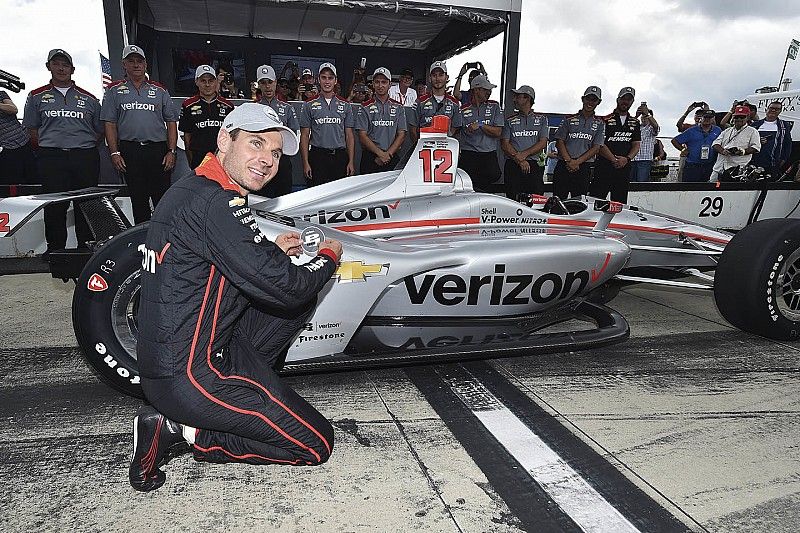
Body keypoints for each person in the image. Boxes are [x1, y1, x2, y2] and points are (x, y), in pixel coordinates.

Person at [129, 102, 342, 492]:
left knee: (292, 305)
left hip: (184, 357)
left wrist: (275, 251)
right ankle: (184, 431)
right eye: (256, 144)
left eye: (275, 153)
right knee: (314, 443)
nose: (267, 160)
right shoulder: (215, 201)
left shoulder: (196, 189)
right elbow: (289, 286)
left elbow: (222, 263)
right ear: (225, 140)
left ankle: (248, 389)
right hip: (190, 377)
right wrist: (329, 256)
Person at [22, 48, 103, 253]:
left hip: (84, 156)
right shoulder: (36, 96)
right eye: (56, 64)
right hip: (52, 157)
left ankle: (86, 247)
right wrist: (51, 145)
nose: (61, 68)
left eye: (65, 65)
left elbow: (100, 130)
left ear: (72, 69)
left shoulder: (90, 98)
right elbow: (32, 129)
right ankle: (55, 249)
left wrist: (82, 145)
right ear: (49, 67)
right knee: (55, 204)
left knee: (86, 203)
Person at [101, 45, 179, 223]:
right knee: (138, 199)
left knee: (162, 198)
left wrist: (171, 151)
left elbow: (171, 122)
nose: (136, 65)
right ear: (124, 65)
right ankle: (142, 241)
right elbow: (110, 124)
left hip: (158, 150)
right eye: (131, 61)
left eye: (139, 61)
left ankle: (163, 239)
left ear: (145, 65)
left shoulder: (160, 90)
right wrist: (114, 153)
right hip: (130, 151)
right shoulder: (114, 91)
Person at [299, 62, 355, 185]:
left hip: (339, 157)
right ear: (318, 79)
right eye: (324, 77)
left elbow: (349, 135)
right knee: (316, 195)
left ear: (335, 81)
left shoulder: (346, 105)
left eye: (330, 78)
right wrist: (305, 162)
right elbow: (304, 136)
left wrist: (351, 161)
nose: (327, 81)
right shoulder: (308, 104)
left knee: (339, 196)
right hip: (317, 156)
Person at [552, 86, 605, 199]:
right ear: (582, 99)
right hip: (564, 165)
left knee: (579, 205)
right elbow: (559, 141)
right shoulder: (568, 119)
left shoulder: (600, 123)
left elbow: (596, 147)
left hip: (583, 168)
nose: (590, 102)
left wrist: (577, 162)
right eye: (588, 98)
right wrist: (569, 161)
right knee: (557, 202)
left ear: (598, 102)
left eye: (594, 100)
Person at [178, 65, 234, 169]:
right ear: (196, 82)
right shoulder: (188, 105)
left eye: (211, 80)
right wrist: (191, 162)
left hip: (221, 157)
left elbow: (233, 136)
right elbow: (187, 136)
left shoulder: (228, 106)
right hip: (198, 158)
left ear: (216, 81)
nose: (207, 84)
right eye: (203, 81)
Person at [256, 64, 300, 196]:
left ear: (275, 82)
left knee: (284, 196)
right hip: (260, 159)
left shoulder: (287, 108)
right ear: (259, 85)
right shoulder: (253, 108)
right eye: (263, 83)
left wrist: (286, 151)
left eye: (270, 82)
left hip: (282, 159)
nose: (267, 86)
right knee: (261, 196)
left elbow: (296, 133)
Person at [591, 87, 641, 203]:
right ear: (618, 99)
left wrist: (627, 159)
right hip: (604, 166)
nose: (625, 102)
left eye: (629, 99)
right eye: (623, 98)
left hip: (624, 167)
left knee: (620, 204)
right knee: (596, 201)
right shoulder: (604, 120)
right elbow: (600, 143)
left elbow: (636, 144)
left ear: (632, 102)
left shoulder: (635, 122)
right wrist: (613, 159)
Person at [500, 85, 548, 200]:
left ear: (527, 98)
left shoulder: (542, 119)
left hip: (535, 165)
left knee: (536, 202)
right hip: (513, 164)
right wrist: (519, 159)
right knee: (512, 201)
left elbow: (543, 142)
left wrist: (524, 155)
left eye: (518, 96)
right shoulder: (509, 121)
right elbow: (504, 144)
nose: (514, 99)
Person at [356, 67, 407, 174]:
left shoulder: (398, 107)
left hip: (391, 155)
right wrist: (380, 153)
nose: (380, 85)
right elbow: (362, 135)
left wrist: (387, 154)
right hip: (370, 157)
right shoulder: (364, 107)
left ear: (390, 84)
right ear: (373, 84)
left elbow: (401, 134)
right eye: (377, 82)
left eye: (384, 82)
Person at [457, 74, 504, 192]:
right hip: (469, 155)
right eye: (485, 89)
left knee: (490, 184)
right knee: (468, 189)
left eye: (490, 90)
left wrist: (481, 125)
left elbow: (498, 132)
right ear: (476, 90)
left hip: (488, 155)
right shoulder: (462, 109)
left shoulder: (494, 106)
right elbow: (455, 131)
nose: (489, 92)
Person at [409, 61, 462, 143]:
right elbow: (412, 129)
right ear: (430, 78)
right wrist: (418, 146)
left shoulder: (454, 103)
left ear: (446, 77)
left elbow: (456, 128)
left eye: (441, 75)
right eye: (434, 75)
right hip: (424, 149)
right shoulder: (420, 102)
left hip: (446, 149)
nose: (437, 79)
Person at [710, 105, 760, 182]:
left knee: (731, 190)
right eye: (737, 117)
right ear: (733, 117)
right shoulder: (727, 131)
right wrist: (723, 151)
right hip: (720, 167)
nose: (739, 119)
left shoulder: (753, 131)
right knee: (713, 188)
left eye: (742, 117)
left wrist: (742, 151)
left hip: (737, 169)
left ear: (747, 117)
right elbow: (715, 144)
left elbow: (756, 148)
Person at [671, 109, 721, 182]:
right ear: (701, 118)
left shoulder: (717, 130)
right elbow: (674, 140)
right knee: (690, 189)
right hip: (692, 166)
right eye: (705, 117)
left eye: (709, 117)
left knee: (708, 189)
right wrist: (683, 149)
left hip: (710, 166)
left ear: (713, 119)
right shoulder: (691, 130)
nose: (707, 119)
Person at [0, 84, 34, 186]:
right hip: (6, 148)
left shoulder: (1, 94)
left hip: (24, 140)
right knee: (11, 181)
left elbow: (13, 109)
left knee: (31, 178)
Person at [750, 101, 793, 178]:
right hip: (754, 162)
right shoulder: (755, 125)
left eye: (777, 109)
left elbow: (788, 144)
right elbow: (747, 141)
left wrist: (783, 159)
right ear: (766, 109)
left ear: (780, 111)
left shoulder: (784, 125)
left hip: (773, 164)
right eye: (772, 108)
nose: (773, 110)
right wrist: (758, 141)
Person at [630, 103, 660, 182]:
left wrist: (647, 114)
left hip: (644, 160)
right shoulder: (636, 127)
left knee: (641, 184)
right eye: (642, 116)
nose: (643, 118)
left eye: (645, 117)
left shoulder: (651, 128)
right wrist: (636, 116)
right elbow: (626, 126)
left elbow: (656, 126)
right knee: (629, 183)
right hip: (631, 159)